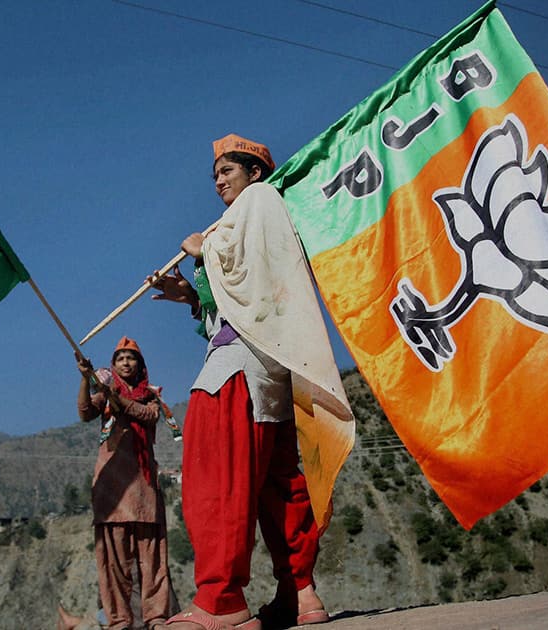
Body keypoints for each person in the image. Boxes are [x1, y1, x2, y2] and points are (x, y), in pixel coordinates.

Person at [149, 134, 353, 630]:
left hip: (236, 368)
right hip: (267, 364)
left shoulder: (259, 203)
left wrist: (203, 251)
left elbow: (239, 275)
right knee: (277, 483)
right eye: (216, 174)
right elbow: (248, 294)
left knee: (217, 477)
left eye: (228, 171)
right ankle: (299, 593)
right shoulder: (253, 218)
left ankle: (221, 603)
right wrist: (193, 296)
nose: (219, 181)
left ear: (254, 173)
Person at [76, 336, 175, 630]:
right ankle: (119, 620)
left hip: (143, 485)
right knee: (115, 561)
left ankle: (156, 617)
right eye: (120, 359)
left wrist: (115, 396)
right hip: (112, 489)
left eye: (131, 358)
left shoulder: (151, 397)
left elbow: (144, 415)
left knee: (152, 558)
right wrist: (85, 380)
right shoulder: (104, 394)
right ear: (113, 365)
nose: (126, 363)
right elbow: (84, 413)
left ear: (140, 365)